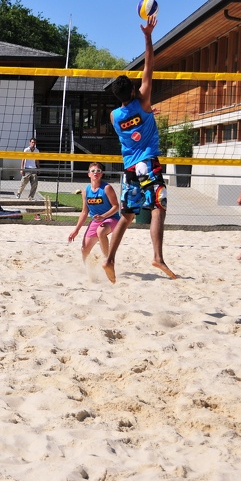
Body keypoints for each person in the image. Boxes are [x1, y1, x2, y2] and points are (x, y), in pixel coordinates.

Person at [102, 16, 177, 283]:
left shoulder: (114, 115)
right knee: (159, 206)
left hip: (129, 167)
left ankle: (109, 259)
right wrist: (147, 35)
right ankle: (157, 256)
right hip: (147, 160)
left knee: (128, 213)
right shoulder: (143, 100)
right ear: (134, 90)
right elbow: (149, 65)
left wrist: (147, 114)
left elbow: (132, 121)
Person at [68, 163, 121, 264]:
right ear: (89, 174)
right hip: (96, 220)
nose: (95, 173)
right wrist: (76, 230)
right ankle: (89, 270)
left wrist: (103, 216)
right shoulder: (86, 191)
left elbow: (116, 206)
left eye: (98, 171)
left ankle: (108, 261)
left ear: (102, 174)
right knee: (84, 249)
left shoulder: (107, 188)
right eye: (93, 171)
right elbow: (84, 212)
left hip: (111, 219)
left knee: (101, 231)